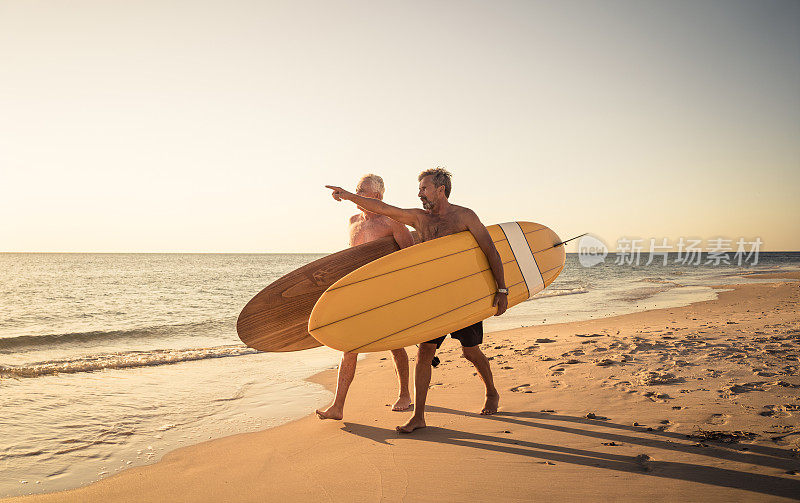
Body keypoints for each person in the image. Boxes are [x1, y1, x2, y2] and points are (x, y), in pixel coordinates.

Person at [325, 168, 507, 433]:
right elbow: (384, 207)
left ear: (440, 190)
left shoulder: (464, 216)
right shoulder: (420, 219)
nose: (419, 193)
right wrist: (350, 196)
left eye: (424, 188)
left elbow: (490, 249)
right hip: (434, 298)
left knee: (470, 352)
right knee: (424, 353)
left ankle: (491, 391)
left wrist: (501, 290)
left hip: (462, 296)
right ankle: (419, 416)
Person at [315, 174, 416, 420]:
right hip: (357, 293)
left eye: (364, 192)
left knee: (395, 344)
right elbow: (350, 259)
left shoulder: (391, 221)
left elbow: (411, 255)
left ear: (379, 197)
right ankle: (337, 407)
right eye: (357, 191)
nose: (357, 196)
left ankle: (405, 394)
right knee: (350, 347)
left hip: (386, 293)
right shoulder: (352, 221)